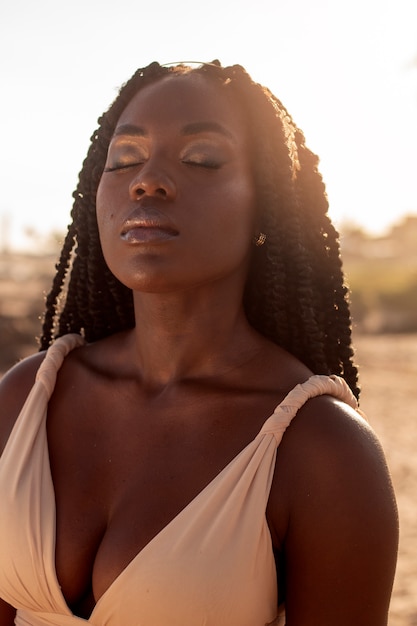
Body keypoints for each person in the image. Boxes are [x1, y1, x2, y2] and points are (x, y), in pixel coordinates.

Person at [0, 61, 398, 625]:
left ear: (267, 205)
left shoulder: (322, 450)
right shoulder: (28, 398)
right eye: (124, 160)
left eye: (202, 159)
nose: (147, 180)